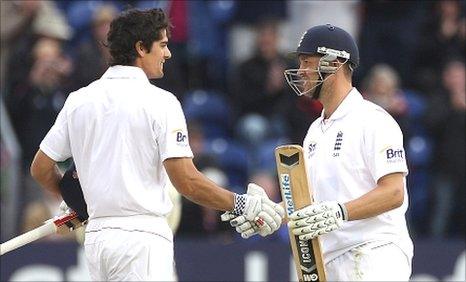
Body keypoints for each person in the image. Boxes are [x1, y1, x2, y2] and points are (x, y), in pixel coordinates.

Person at [29, 8, 284, 281]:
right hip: (141, 241)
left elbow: (41, 168)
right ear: (141, 47)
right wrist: (241, 204)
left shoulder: (78, 100)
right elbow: (186, 181)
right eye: (162, 45)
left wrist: (77, 202)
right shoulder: (161, 102)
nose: (168, 53)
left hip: (97, 241)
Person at [226, 24, 413, 281]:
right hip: (327, 260)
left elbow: (394, 192)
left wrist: (341, 211)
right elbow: (313, 202)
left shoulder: (373, 120)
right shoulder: (315, 130)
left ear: (333, 63)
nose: (300, 71)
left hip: (373, 253)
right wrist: (273, 214)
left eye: (306, 62)